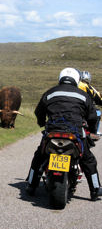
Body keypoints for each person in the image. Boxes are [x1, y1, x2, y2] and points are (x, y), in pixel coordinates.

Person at [26, 67, 102, 201]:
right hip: (75, 134)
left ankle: (31, 185)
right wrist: (90, 130)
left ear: (60, 78)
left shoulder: (50, 93)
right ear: (76, 80)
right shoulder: (83, 95)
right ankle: (95, 190)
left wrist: (41, 123)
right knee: (88, 160)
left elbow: (39, 112)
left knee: (39, 157)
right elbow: (93, 117)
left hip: (52, 133)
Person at [78, 70, 102, 135]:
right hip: (84, 109)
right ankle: (93, 132)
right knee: (98, 113)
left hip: (72, 107)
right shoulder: (89, 87)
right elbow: (98, 98)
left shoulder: (75, 84)